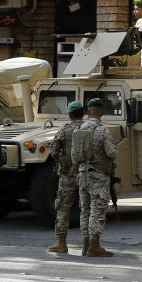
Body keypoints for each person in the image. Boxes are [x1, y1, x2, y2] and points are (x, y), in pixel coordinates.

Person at [72, 98, 118, 257]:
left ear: (88, 112)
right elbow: (112, 153)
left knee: (84, 210)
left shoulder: (78, 130)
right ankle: (94, 245)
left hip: (83, 175)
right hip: (98, 176)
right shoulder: (102, 131)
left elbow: (74, 156)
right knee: (97, 210)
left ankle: (85, 245)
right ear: (102, 113)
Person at [47, 100, 85, 254]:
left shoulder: (64, 130)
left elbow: (53, 151)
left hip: (68, 175)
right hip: (87, 174)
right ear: (83, 114)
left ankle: (61, 242)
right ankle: (89, 244)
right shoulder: (89, 128)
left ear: (69, 115)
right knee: (87, 209)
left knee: (63, 208)